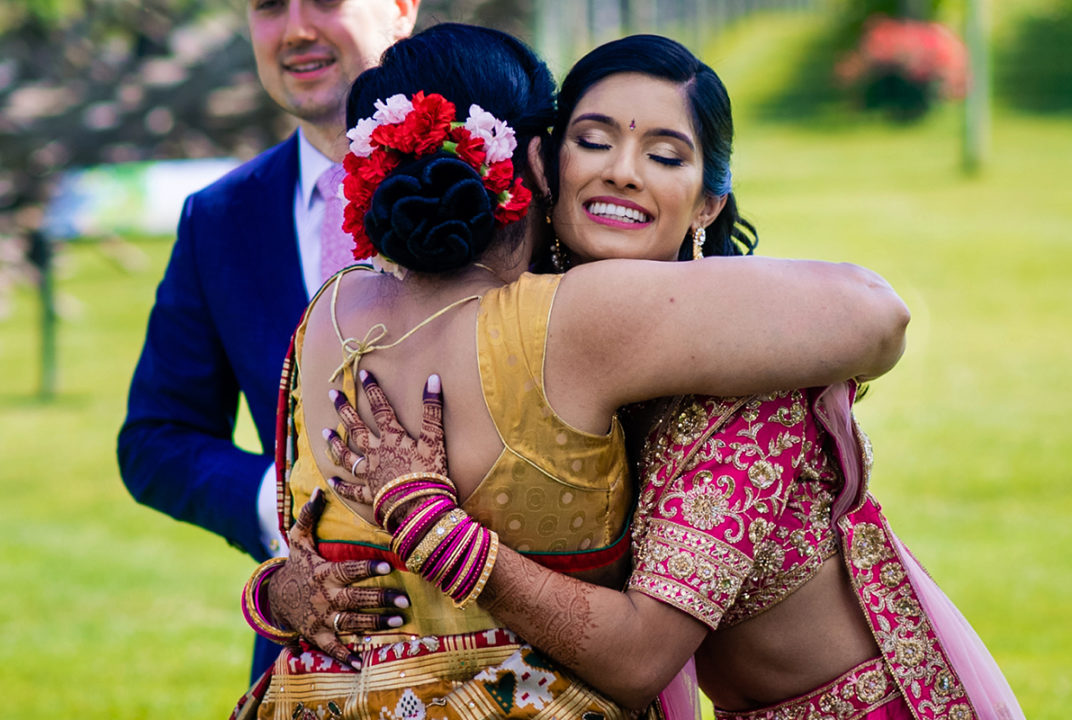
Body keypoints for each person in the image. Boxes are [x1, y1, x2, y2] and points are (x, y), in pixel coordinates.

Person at [318, 35, 1024, 720]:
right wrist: (289, 592)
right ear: (543, 168)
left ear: (708, 204)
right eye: (594, 141)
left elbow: (636, 659)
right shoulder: (545, 341)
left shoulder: (744, 386)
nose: (624, 171)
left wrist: (435, 528)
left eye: (664, 154)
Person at [117, 0, 419, 681]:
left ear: (401, 7)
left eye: (326, 1)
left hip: (507, 652)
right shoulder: (220, 219)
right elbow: (155, 437)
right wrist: (284, 505)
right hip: (309, 662)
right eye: (269, 6)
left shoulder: (507, 182)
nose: (297, 29)